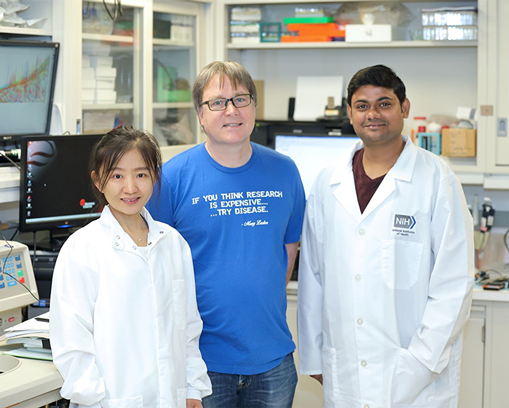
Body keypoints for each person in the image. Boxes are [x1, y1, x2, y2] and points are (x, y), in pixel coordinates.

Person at [298, 65, 474, 408]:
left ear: (404, 109)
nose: (373, 114)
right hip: (345, 371)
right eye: (362, 106)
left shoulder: (437, 179)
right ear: (349, 113)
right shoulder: (327, 182)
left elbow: (454, 283)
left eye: (384, 103)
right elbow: (313, 277)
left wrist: (422, 360)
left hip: (417, 374)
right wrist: (315, 356)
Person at [147, 61, 306, 408]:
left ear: (254, 108)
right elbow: (153, 267)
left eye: (240, 99)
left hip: (274, 360)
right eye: (217, 102)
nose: (231, 110)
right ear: (200, 116)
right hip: (201, 366)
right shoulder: (171, 179)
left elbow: (288, 248)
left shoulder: (285, 171)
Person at [50, 126, 212, 408]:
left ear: (154, 178)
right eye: (117, 176)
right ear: (98, 181)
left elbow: (188, 329)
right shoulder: (82, 249)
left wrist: (192, 389)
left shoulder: (172, 244)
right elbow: (72, 346)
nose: (130, 188)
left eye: (141, 174)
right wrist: (97, 399)